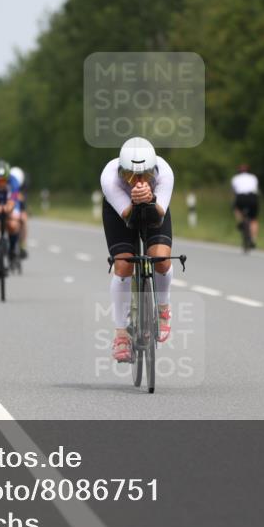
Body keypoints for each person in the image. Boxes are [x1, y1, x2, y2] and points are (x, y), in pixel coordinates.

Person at [101, 137, 175, 363]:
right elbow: (129, 217)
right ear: (121, 172)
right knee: (123, 265)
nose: (138, 181)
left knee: (160, 258)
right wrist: (134, 201)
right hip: (120, 210)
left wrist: (150, 198)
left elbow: (158, 214)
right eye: (131, 176)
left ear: (155, 170)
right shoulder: (109, 177)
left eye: (145, 176)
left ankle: (163, 309)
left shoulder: (165, 173)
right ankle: (121, 334)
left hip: (155, 207)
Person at [231, 163, 259, 248]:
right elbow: (255, 188)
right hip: (252, 197)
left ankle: (241, 222)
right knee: (254, 219)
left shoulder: (235, 178)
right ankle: (253, 240)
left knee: (235, 208)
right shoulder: (253, 177)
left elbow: (234, 191)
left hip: (241, 197)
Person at [10, 166, 29, 260]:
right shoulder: (7, 183)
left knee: (24, 220)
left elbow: (24, 200)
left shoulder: (24, 185)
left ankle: (22, 246)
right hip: (8, 207)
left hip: (19, 206)